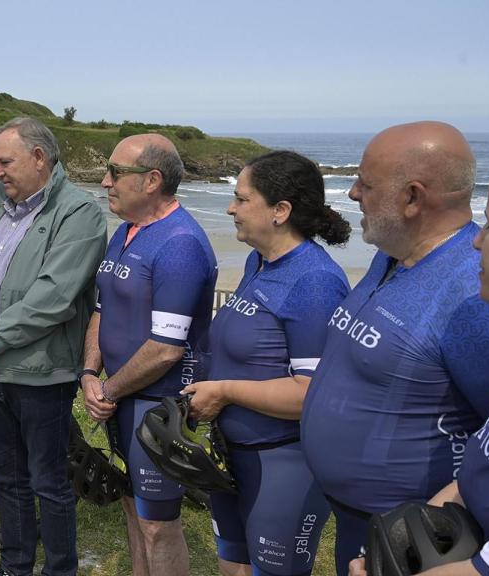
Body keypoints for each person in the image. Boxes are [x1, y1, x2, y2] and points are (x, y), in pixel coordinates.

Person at [300, 122, 489, 576]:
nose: (351, 193)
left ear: (412, 198)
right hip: (362, 525)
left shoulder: (476, 295)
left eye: (366, 184)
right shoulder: (388, 254)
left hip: (417, 546)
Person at [0, 117, 107, 576]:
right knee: (7, 477)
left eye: (4, 161)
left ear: (39, 158)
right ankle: (14, 565)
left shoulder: (79, 212)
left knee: (49, 483)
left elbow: (53, 296)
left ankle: (59, 570)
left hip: (42, 374)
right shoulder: (0, 206)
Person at [181, 151, 351, 576]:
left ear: (280, 211)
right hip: (233, 454)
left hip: (283, 463)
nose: (231, 208)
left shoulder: (315, 281)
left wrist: (223, 391)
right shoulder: (259, 260)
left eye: (242, 199)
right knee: (231, 565)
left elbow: (311, 393)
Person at [349, 173, 489, 576]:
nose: (477, 241)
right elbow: (483, 461)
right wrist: (394, 540)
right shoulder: (389, 259)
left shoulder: (472, 307)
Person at [80, 133, 218, 576]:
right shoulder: (125, 230)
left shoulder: (180, 243)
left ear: (152, 180)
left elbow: (165, 349)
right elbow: (103, 308)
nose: (105, 182)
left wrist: (107, 390)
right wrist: (88, 372)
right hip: (119, 399)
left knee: (159, 525)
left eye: (116, 173)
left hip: (155, 404)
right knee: (130, 506)